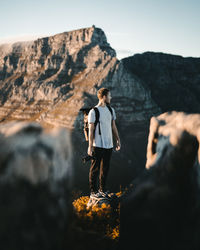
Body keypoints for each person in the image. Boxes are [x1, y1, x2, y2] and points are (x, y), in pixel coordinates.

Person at [87, 88, 121, 198]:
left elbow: (113, 126)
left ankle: (102, 189)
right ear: (104, 97)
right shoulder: (94, 111)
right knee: (95, 168)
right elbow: (91, 130)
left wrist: (118, 139)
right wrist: (90, 146)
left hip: (109, 144)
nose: (111, 98)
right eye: (109, 96)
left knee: (105, 168)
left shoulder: (111, 110)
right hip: (97, 145)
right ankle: (93, 192)